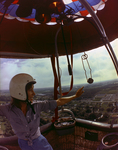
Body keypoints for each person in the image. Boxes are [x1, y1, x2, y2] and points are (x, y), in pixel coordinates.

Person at [0, 73, 84, 150]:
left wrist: (75, 96)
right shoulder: (7, 110)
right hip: (24, 144)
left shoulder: (37, 106)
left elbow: (58, 102)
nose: (34, 93)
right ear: (20, 91)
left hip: (39, 143)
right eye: (30, 90)